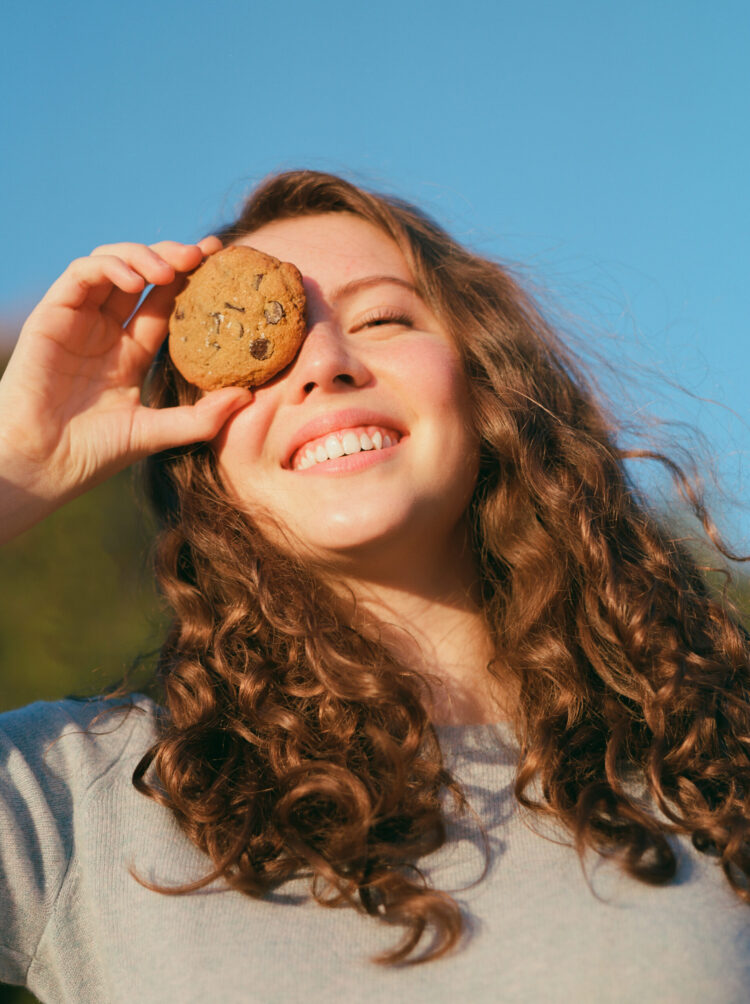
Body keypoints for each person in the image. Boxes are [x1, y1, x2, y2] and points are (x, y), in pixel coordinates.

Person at [1, 170, 749, 1003]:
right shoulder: (83, 803)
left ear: (484, 375)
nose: (321, 362)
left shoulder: (715, 761)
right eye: (268, 348)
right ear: (202, 456)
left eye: (382, 318)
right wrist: (16, 463)